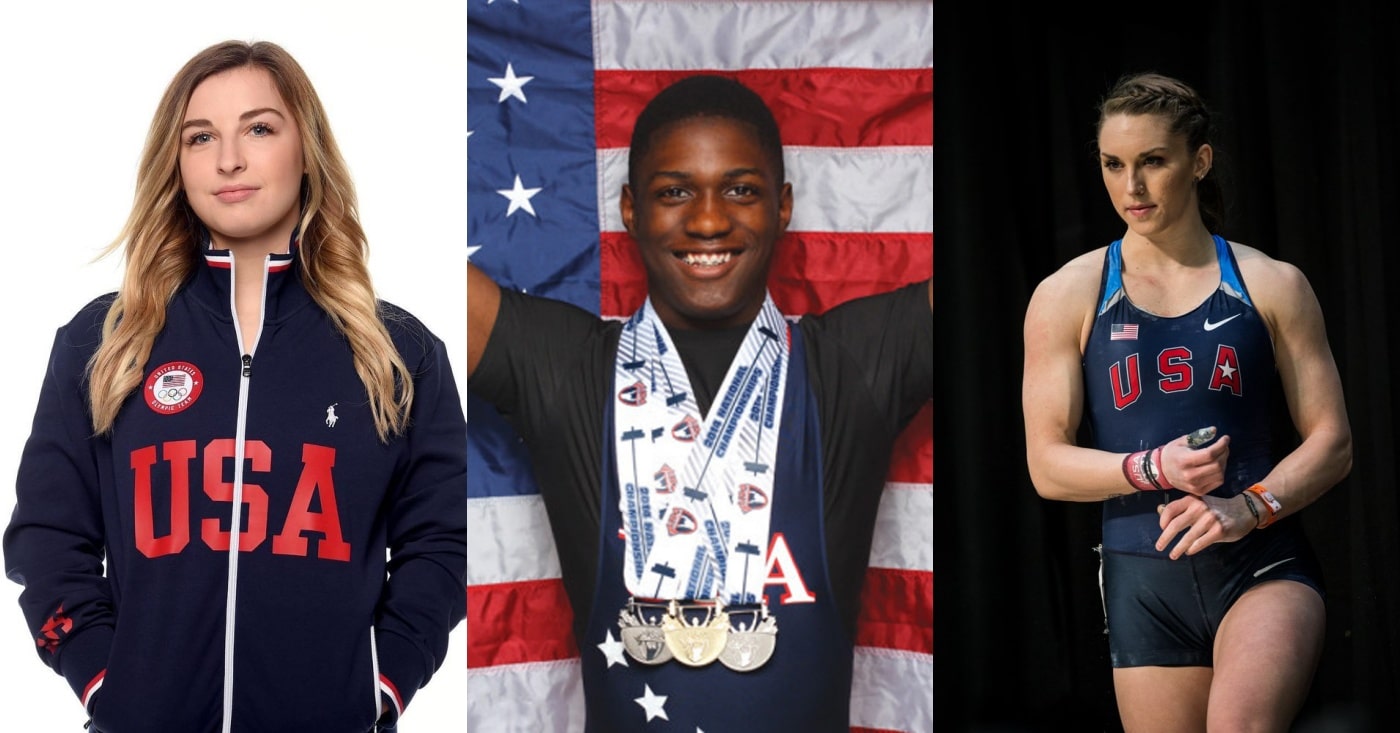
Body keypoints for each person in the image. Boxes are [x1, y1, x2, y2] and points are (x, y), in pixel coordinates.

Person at [2, 40, 467, 733]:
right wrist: (104, 680)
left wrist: (384, 684)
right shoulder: (102, 342)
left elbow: (445, 542)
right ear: (177, 161)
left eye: (258, 128)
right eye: (201, 137)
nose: (229, 159)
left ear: (305, 148)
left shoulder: (399, 353)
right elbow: (47, 536)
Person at [467, 74, 932, 731]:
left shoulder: (853, 362)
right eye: (674, 192)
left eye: (741, 189)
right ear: (630, 209)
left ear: (783, 205)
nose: (710, 219)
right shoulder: (566, 368)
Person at [1022, 71, 1352, 731]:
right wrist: (1153, 467)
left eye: (1152, 162)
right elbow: (1047, 463)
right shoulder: (1067, 293)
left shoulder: (1271, 283)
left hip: (1261, 562)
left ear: (1199, 161)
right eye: (1114, 165)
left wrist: (1249, 507)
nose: (1132, 187)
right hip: (1144, 580)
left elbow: (1333, 441)